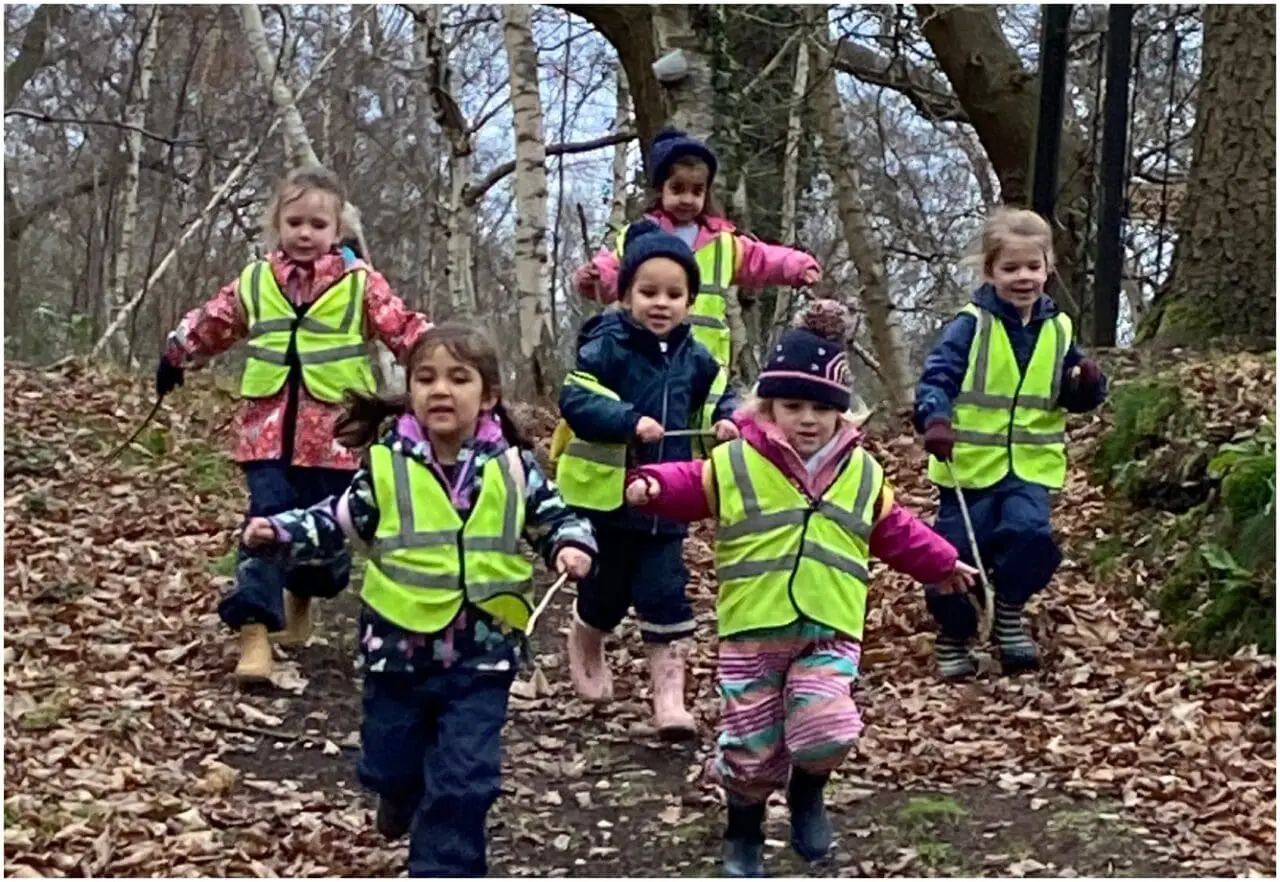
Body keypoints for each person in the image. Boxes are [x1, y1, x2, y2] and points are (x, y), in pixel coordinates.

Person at [624, 300, 976, 876]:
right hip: (751, 631)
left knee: (826, 727)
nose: (807, 419)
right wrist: (650, 485)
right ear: (768, 407)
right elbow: (688, 483)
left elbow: (895, 530)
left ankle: (809, 792)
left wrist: (942, 563)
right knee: (751, 749)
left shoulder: (863, 473)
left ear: (843, 414)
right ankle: (745, 826)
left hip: (829, 627)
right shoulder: (736, 463)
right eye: (792, 406)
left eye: (821, 408)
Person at [241, 322, 597, 877]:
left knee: (465, 782)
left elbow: (557, 518)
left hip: (485, 649)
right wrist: (282, 532)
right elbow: (337, 522)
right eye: (425, 377)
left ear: (489, 396)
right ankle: (397, 795)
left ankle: (443, 867)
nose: (441, 390)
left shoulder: (513, 466)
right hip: (397, 650)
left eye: (459, 378)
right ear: (409, 391)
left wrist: (571, 545)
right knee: (391, 763)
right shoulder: (386, 464)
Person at [154, 165, 431, 683]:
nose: (305, 233)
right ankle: (254, 635)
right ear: (277, 224)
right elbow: (215, 320)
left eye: (318, 225)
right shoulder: (256, 280)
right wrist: (176, 352)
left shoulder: (359, 284)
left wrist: (446, 366)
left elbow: (405, 328)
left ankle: (303, 598)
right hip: (265, 430)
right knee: (264, 523)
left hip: (336, 437)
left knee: (324, 545)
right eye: (295, 221)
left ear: (337, 231)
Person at [556, 220, 738, 739]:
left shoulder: (697, 354)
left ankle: (669, 699)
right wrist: (628, 420)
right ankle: (586, 635)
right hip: (608, 502)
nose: (661, 303)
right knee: (606, 592)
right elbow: (577, 398)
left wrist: (728, 420)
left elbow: (723, 394)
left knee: (666, 595)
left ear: (689, 300)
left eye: (674, 294)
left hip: (668, 500)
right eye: (648, 291)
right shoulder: (606, 345)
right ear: (628, 294)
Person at [914, 207, 1108, 680]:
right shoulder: (971, 325)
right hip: (969, 466)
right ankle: (955, 633)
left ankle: (1010, 611)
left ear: (1048, 268)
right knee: (954, 554)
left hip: (1030, 467)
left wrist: (1087, 384)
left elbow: (1071, 391)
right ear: (990, 272)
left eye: (1033, 267)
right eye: (1011, 268)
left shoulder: (1058, 328)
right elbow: (937, 377)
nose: (1023, 277)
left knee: (1031, 537)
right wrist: (935, 418)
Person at [573, 127, 822, 442]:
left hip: (703, 361)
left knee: (700, 430)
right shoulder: (638, 235)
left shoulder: (724, 243)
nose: (687, 199)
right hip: (643, 355)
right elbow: (613, 273)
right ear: (660, 189)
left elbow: (762, 259)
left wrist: (797, 265)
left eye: (696, 190)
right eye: (677, 189)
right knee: (650, 421)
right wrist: (594, 278)